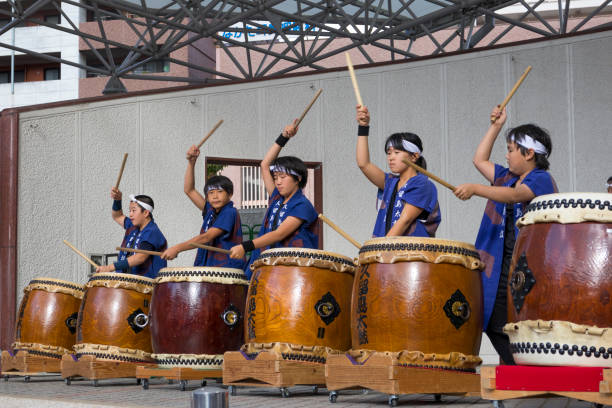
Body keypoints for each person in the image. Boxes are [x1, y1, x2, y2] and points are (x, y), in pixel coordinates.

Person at [454, 105, 558, 364]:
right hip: (499, 263)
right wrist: (496, 126)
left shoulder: (541, 179)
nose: (507, 155)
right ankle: (514, 367)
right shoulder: (505, 177)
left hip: (526, 266)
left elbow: (515, 196)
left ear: (530, 153)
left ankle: (518, 367)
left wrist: (476, 189)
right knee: (488, 315)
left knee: (507, 318)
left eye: (511, 150)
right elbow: (479, 160)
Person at [229, 119, 318, 279]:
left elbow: (279, 234)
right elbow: (265, 164)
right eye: (275, 177)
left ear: (298, 178)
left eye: (282, 177)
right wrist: (284, 137)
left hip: (292, 270)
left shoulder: (302, 205)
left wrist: (245, 246)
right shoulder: (276, 198)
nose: (277, 181)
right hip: (268, 265)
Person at [355, 105, 440, 237]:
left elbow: (405, 221)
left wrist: (381, 250)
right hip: (388, 251)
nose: (391, 158)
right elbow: (363, 164)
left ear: (414, 156)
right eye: (389, 153)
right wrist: (363, 127)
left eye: (397, 152)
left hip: (409, 254)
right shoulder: (390, 183)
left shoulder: (422, 184)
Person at [161, 145, 245, 269]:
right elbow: (189, 190)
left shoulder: (230, 212)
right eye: (211, 193)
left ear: (230, 194)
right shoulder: (210, 210)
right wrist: (191, 163)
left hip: (226, 269)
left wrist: (177, 248)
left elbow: (207, 237)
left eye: (220, 192)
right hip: (209, 266)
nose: (215, 196)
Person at [96, 189, 167, 279]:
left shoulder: (152, 232)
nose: (130, 214)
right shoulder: (133, 226)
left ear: (145, 213)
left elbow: (140, 257)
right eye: (129, 211)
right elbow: (117, 216)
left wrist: (110, 267)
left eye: (134, 211)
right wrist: (117, 200)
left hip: (146, 287)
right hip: (128, 282)